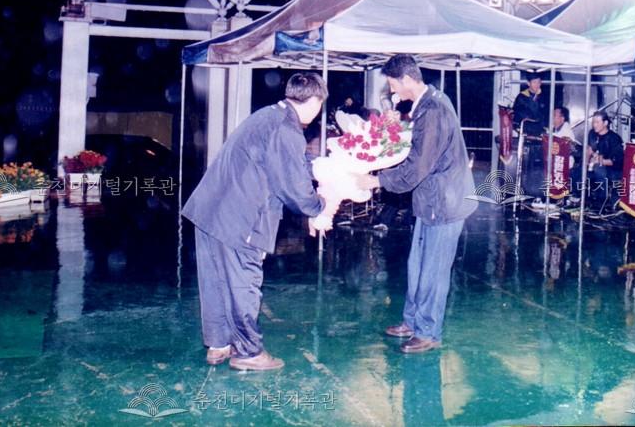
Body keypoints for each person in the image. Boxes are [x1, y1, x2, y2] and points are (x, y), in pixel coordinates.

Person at [182, 72, 338, 371]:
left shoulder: (267, 115)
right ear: (316, 101)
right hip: (238, 216)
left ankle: (219, 344)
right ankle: (248, 352)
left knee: (216, 280)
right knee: (243, 283)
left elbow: (283, 163)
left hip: (210, 209)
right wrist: (320, 206)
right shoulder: (286, 129)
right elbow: (293, 187)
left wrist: (318, 167)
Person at [356, 55, 477, 354]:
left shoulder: (432, 110)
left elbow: (418, 165)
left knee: (433, 271)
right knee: (418, 265)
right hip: (430, 200)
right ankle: (412, 321)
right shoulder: (429, 103)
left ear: (407, 79)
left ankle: (428, 332)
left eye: (393, 84)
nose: (392, 90)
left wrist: (377, 181)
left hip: (445, 202)